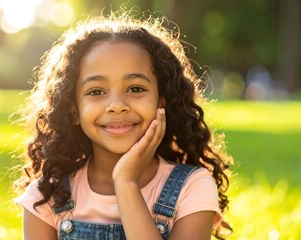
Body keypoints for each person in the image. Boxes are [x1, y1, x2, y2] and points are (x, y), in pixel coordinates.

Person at [14, 11, 233, 240]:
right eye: (96, 91)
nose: (117, 106)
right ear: (74, 111)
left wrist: (126, 183)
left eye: (136, 88)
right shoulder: (47, 195)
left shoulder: (192, 186)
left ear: (161, 101)